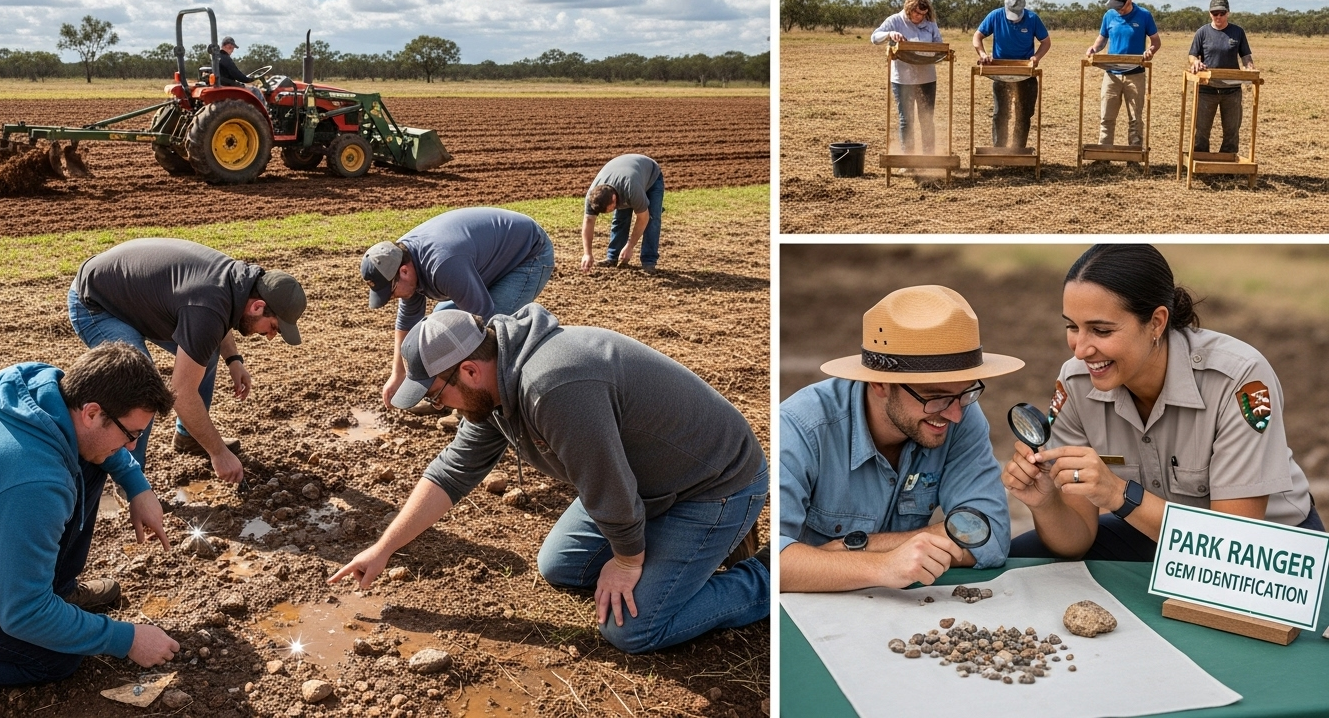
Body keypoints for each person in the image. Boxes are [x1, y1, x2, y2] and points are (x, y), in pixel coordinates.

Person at [331, 304, 769, 653]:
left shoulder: (555, 386)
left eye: (435, 394)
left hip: (713, 484)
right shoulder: (495, 384)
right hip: (644, 480)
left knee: (634, 630)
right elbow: (453, 470)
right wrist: (384, 548)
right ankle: (667, 546)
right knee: (561, 566)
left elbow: (606, 483)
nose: (441, 406)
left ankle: (767, 576)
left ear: (467, 370)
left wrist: (628, 561)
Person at [1005, 245, 1322, 561]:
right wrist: (1045, 502)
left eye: (1100, 330)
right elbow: (1075, 542)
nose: (1080, 350)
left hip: (1268, 553)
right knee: (1024, 557)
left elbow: (1233, 549)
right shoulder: (1075, 382)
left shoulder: (1239, 379)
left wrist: (1118, 494)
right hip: (1151, 533)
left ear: (1156, 322)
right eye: (1073, 327)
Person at [0, 342, 181, 685]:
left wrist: (137, 484)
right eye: (131, 434)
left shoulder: (36, 385)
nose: (133, 446)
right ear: (91, 412)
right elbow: (23, 614)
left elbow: (95, 443)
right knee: (55, 657)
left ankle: (59, 592)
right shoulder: (34, 480)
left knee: (93, 459)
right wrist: (126, 638)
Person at [779, 285, 1022, 593]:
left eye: (966, 392)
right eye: (936, 397)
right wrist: (884, 565)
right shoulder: (800, 426)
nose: (956, 415)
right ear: (880, 383)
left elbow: (991, 535)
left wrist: (849, 550)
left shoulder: (960, 414)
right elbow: (773, 565)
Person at [68, 238, 307, 484]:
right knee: (137, 386)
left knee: (205, 352)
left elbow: (217, 317)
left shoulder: (238, 282)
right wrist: (218, 452)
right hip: (96, 302)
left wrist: (233, 359)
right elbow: (181, 391)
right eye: (274, 328)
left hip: (133, 296)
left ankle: (188, 437)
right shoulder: (209, 305)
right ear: (258, 306)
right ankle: (131, 481)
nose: (269, 336)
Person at [364, 207, 556, 427]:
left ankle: (469, 405)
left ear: (404, 271)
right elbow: (408, 322)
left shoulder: (442, 264)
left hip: (528, 255)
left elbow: (481, 321)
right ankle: (439, 394)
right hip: (488, 261)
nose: (392, 298)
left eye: (391, 291)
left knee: (490, 328)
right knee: (439, 322)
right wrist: (398, 375)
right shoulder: (400, 259)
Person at [1084, 0, 1161, 149]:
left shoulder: (1144, 15)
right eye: (1115, 6)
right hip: (1111, 74)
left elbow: (1156, 41)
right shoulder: (1109, 15)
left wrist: (1150, 51)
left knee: (1135, 118)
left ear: (1129, 1)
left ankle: (1134, 154)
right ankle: (1103, 154)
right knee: (1106, 116)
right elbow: (1102, 38)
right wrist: (1094, 48)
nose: (1118, 10)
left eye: (1120, 6)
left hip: (1135, 74)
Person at [972, 0, 1051, 150]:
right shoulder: (995, 16)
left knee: (1024, 113)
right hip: (1001, 72)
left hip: (1025, 73)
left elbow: (1046, 42)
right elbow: (977, 36)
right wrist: (982, 54)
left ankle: (1018, 150)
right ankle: (999, 150)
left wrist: (1036, 57)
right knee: (1001, 113)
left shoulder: (1032, 18)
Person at [871, 0, 943, 156]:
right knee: (906, 120)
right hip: (903, 79)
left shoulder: (930, 24)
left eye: (923, 14)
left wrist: (935, 50)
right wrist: (890, 34)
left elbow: (939, 45)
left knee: (926, 119)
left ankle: (929, 157)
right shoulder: (895, 20)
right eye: (917, 13)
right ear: (909, 8)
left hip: (927, 78)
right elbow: (874, 37)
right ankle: (908, 158)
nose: (920, 17)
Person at [1189, 0, 1256, 155]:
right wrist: (1195, 63)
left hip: (1232, 91)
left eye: (1222, 13)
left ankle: (1227, 164)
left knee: (1232, 131)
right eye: (1215, 13)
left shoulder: (1238, 32)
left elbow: (1246, 56)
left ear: (1228, 13)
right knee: (1202, 131)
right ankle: (1201, 162)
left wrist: (1250, 68)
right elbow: (1192, 56)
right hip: (1207, 90)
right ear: (1209, 14)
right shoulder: (1202, 32)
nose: (1218, 16)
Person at [580, 154, 664, 273]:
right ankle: (613, 257)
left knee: (652, 218)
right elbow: (588, 221)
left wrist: (630, 246)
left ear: (614, 198)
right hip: (624, 174)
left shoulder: (631, 188)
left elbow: (643, 218)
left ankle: (648, 262)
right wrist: (587, 253)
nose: (609, 212)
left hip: (651, 175)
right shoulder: (592, 196)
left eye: (609, 209)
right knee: (620, 219)